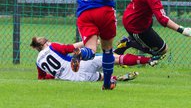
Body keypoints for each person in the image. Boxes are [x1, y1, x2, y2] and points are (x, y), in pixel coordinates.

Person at [30, 36, 159, 82]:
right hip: (80, 67)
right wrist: (89, 41)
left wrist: (56, 75)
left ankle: (114, 78)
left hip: (74, 79)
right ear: (45, 43)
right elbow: (70, 48)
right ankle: (147, 60)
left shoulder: (38, 62)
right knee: (113, 58)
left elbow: (41, 78)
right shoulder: (52, 46)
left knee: (100, 76)